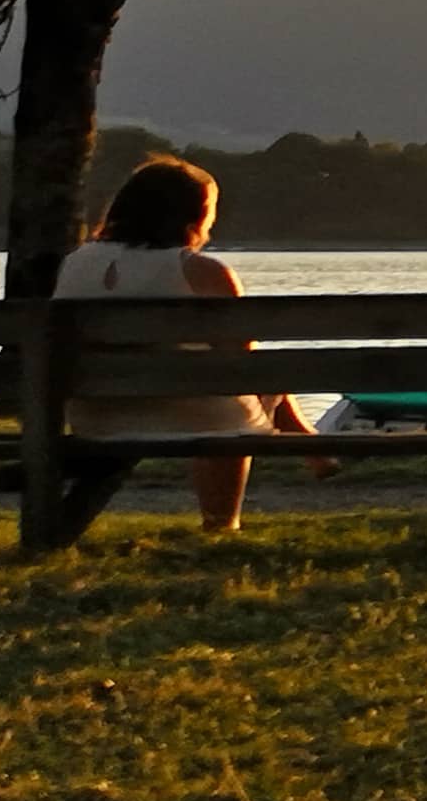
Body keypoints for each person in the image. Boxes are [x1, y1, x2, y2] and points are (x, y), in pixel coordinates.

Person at [49, 156, 282, 534]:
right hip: (188, 413)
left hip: (96, 415)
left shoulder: (76, 263)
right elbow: (242, 362)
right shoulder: (204, 271)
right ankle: (221, 523)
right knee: (244, 390)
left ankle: (314, 451)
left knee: (231, 387)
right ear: (193, 215)